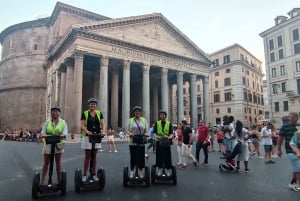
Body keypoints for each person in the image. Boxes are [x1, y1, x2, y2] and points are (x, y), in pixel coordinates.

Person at [40, 105, 68, 185]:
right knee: (46, 163)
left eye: (57, 111)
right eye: (53, 111)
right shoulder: (47, 122)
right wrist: (45, 135)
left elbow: (65, 132)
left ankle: (59, 180)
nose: (55, 113)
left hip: (58, 144)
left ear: (59, 113)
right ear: (51, 112)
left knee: (58, 162)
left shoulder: (63, 122)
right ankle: (42, 181)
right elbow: (43, 132)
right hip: (48, 144)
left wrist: (61, 135)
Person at [80, 98, 106, 182]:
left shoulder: (99, 113)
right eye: (91, 104)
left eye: (94, 104)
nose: (93, 105)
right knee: (87, 156)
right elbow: (82, 125)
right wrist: (87, 131)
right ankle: (84, 174)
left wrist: (103, 131)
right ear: (89, 105)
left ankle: (93, 174)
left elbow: (103, 123)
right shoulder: (85, 113)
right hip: (87, 136)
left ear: (96, 105)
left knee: (94, 156)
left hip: (97, 136)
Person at [277, 112, 299, 191]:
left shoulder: (298, 127)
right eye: (289, 117)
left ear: (297, 118)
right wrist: (279, 150)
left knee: (296, 167)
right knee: (298, 168)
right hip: (290, 150)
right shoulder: (285, 127)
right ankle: (297, 184)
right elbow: (280, 139)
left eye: (292, 117)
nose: (290, 119)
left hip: (298, 150)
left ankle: (293, 182)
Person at [127, 106, 148, 178]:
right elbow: (127, 130)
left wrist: (145, 134)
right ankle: (132, 170)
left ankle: (140, 170)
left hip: (141, 140)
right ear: (134, 113)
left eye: (139, 111)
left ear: (140, 113)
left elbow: (146, 130)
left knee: (141, 156)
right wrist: (130, 134)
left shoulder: (144, 120)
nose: (137, 113)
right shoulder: (130, 120)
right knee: (133, 157)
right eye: (136, 112)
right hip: (133, 141)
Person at [153, 110, 173, 176]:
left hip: (166, 142)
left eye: (163, 114)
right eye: (160, 115)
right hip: (159, 141)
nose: (162, 116)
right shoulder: (157, 123)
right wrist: (158, 137)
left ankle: (167, 169)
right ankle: (160, 168)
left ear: (165, 116)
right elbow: (154, 133)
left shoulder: (169, 123)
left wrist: (169, 137)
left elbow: (171, 133)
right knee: (159, 156)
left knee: (167, 156)